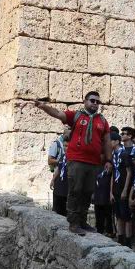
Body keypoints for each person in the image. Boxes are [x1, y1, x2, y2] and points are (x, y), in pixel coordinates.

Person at [31, 91, 111, 235]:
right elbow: (57, 113)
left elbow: (106, 141)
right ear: (85, 101)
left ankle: (82, 220)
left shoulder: (103, 121)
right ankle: (73, 222)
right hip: (77, 160)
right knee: (75, 190)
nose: (95, 104)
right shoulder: (76, 115)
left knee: (87, 192)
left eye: (97, 102)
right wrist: (44, 107)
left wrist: (109, 160)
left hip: (94, 163)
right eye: (92, 100)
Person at [111, 130, 135, 246]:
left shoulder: (124, 154)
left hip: (123, 188)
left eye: (110, 141)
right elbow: (112, 173)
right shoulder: (113, 155)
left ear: (116, 142)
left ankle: (128, 240)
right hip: (115, 188)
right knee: (119, 215)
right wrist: (111, 192)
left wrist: (125, 189)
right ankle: (120, 239)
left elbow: (129, 172)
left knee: (127, 216)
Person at [93, 145, 115, 236]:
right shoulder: (95, 166)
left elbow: (112, 178)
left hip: (106, 194)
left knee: (108, 214)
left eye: (102, 154)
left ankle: (109, 231)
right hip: (97, 194)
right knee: (98, 214)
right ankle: (99, 230)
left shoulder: (109, 166)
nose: (100, 156)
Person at [49, 137, 69, 216]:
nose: (65, 148)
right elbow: (59, 168)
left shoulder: (73, 158)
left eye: (67, 146)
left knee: (64, 211)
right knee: (56, 210)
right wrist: (53, 180)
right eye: (64, 146)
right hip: (58, 185)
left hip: (66, 187)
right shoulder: (63, 156)